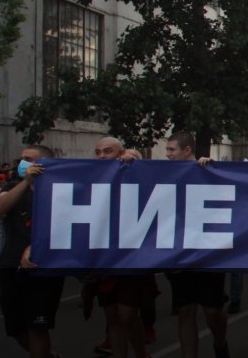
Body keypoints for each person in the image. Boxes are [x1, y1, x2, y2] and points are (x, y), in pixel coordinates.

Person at [164, 131, 233, 358]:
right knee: (186, 310)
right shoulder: (162, 175)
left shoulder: (206, 170)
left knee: (212, 311)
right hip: (180, 253)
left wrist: (213, 169)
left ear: (187, 151)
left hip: (208, 253)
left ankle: (220, 342)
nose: (167, 155)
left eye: (171, 150)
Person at [0, 145, 65, 358]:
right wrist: (26, 182)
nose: (23, 162)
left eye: (29, 159)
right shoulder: (13, 187)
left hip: (44, 269)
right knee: (16, 328)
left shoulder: (60, 190)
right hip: (11, 266)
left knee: (37, 326)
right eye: (22, 158)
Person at [89, 137, 159, 358]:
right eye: (98, 152)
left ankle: (141, 353)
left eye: (108, 151)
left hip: (131, 257)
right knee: (112, 317)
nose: (102, 156)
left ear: (120, 154)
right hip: (106, 258)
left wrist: (134, 162)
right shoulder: (90, 176)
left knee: (126, 315)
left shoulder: (132, 171)